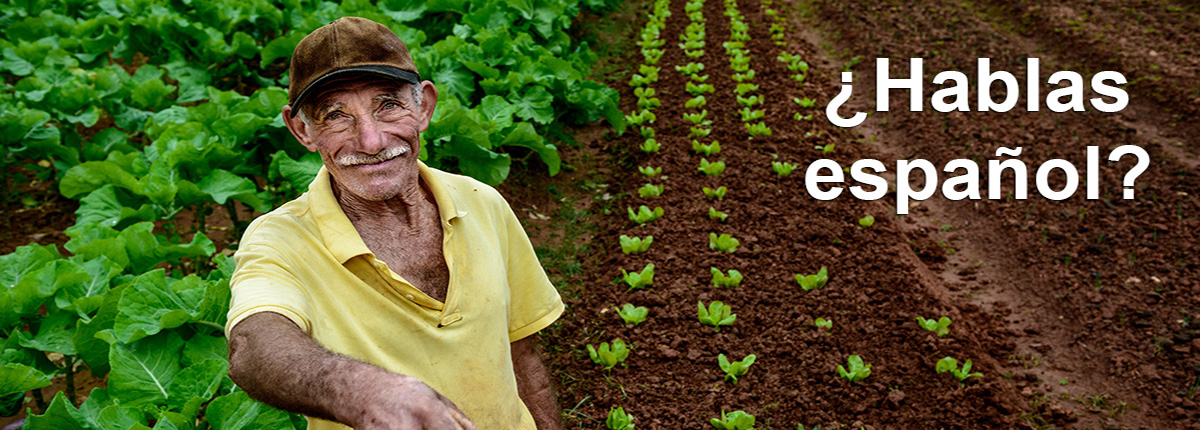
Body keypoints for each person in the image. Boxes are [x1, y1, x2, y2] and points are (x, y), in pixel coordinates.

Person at [224, 16, 565, 430]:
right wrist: (361, 390)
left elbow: (521, 352)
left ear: (423, 106)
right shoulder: (278, 241)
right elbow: (253, 345)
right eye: (335, 115)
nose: (371, 141)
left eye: (387, 105)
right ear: (302, 131)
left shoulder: (482, 202)